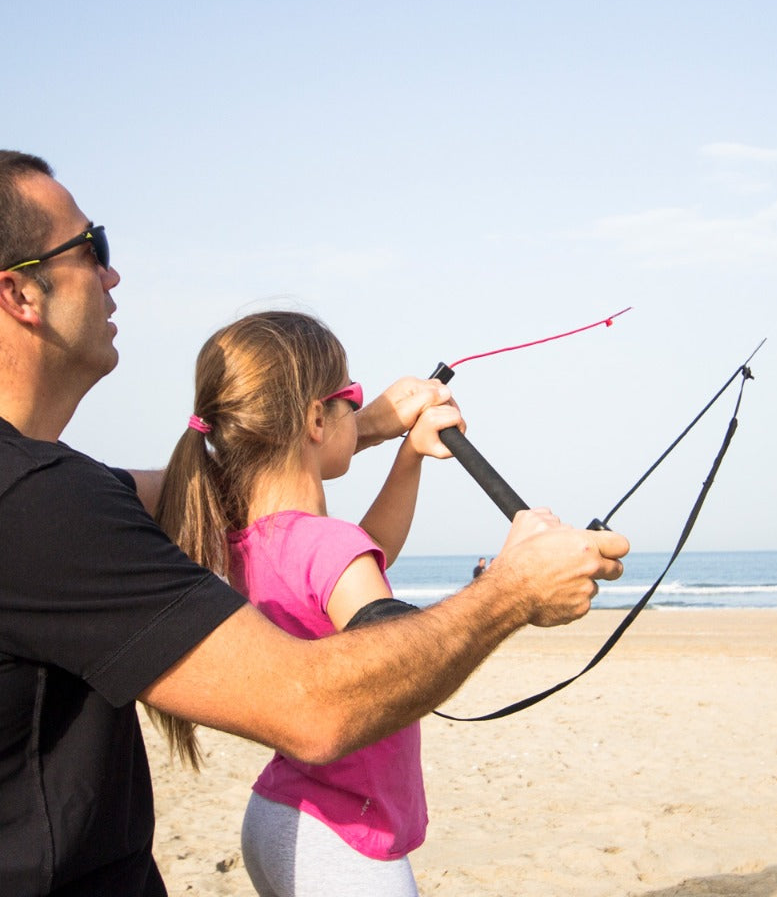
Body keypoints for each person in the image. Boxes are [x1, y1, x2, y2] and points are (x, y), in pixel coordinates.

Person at [0, 151, 628, 897]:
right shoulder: (38, 504)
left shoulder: (83, 500)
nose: (112, 274)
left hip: (277, 814)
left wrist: (376, 432)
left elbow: (261, 501)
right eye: (91, 247)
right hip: (346, 835)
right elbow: (324, 699)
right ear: (20, 291)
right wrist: (509, 590)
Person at [152, 311, 460, 896]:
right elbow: (397, 652)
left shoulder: (245, 539)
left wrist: (409, 457)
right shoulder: (328, 544)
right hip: (347, 838)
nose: (359, 412)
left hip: (280, 813)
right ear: (317, 418)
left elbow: (365, 555)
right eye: (352, 399)